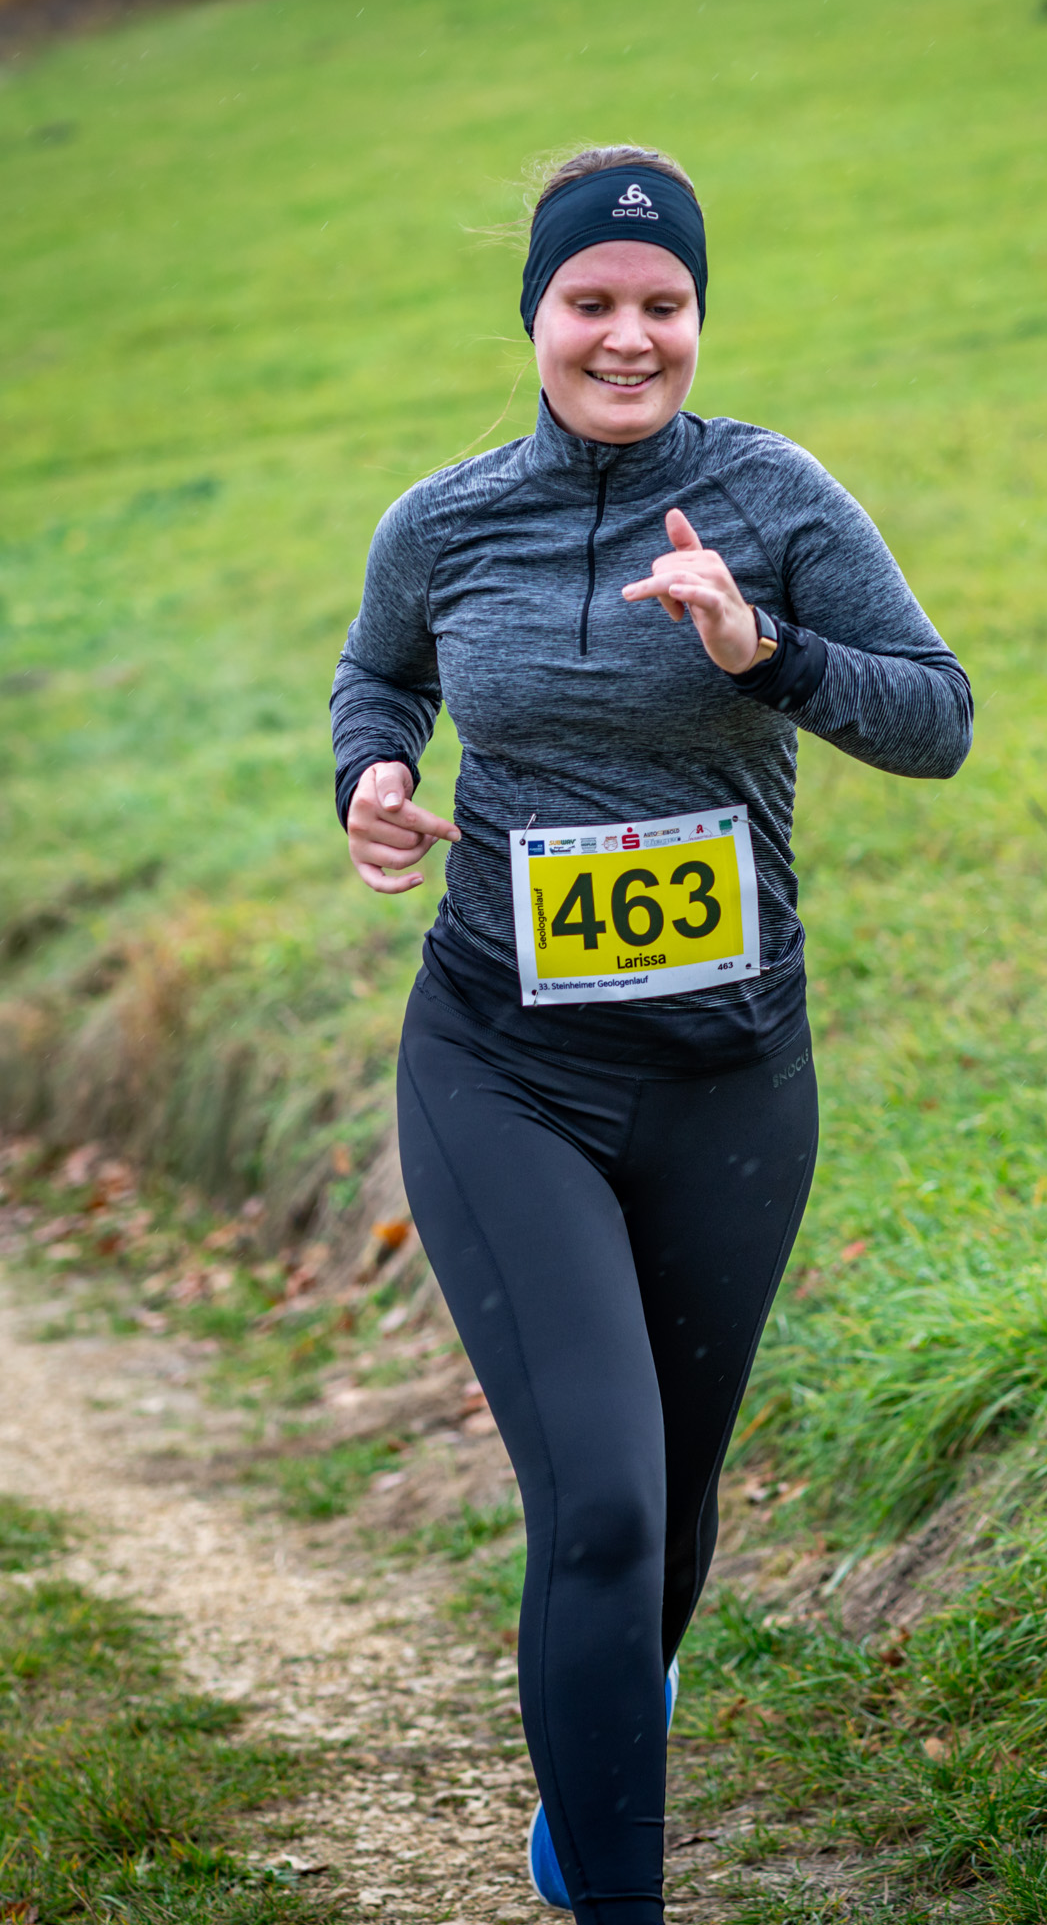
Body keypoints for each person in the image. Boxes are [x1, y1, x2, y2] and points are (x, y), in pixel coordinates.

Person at [330, 143, 971, 1925]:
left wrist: (766, 653)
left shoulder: (773, 496)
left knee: (673, 1519)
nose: (629, 336)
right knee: (602, 1508)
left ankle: (611, 1716)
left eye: (663, 303)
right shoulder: (446, 521)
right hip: (504, 1063)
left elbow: (936, 721)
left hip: (728, 1079)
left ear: (699, 315)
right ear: (533, 314)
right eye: (591, 302)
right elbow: (379, 671)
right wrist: (370, 774)